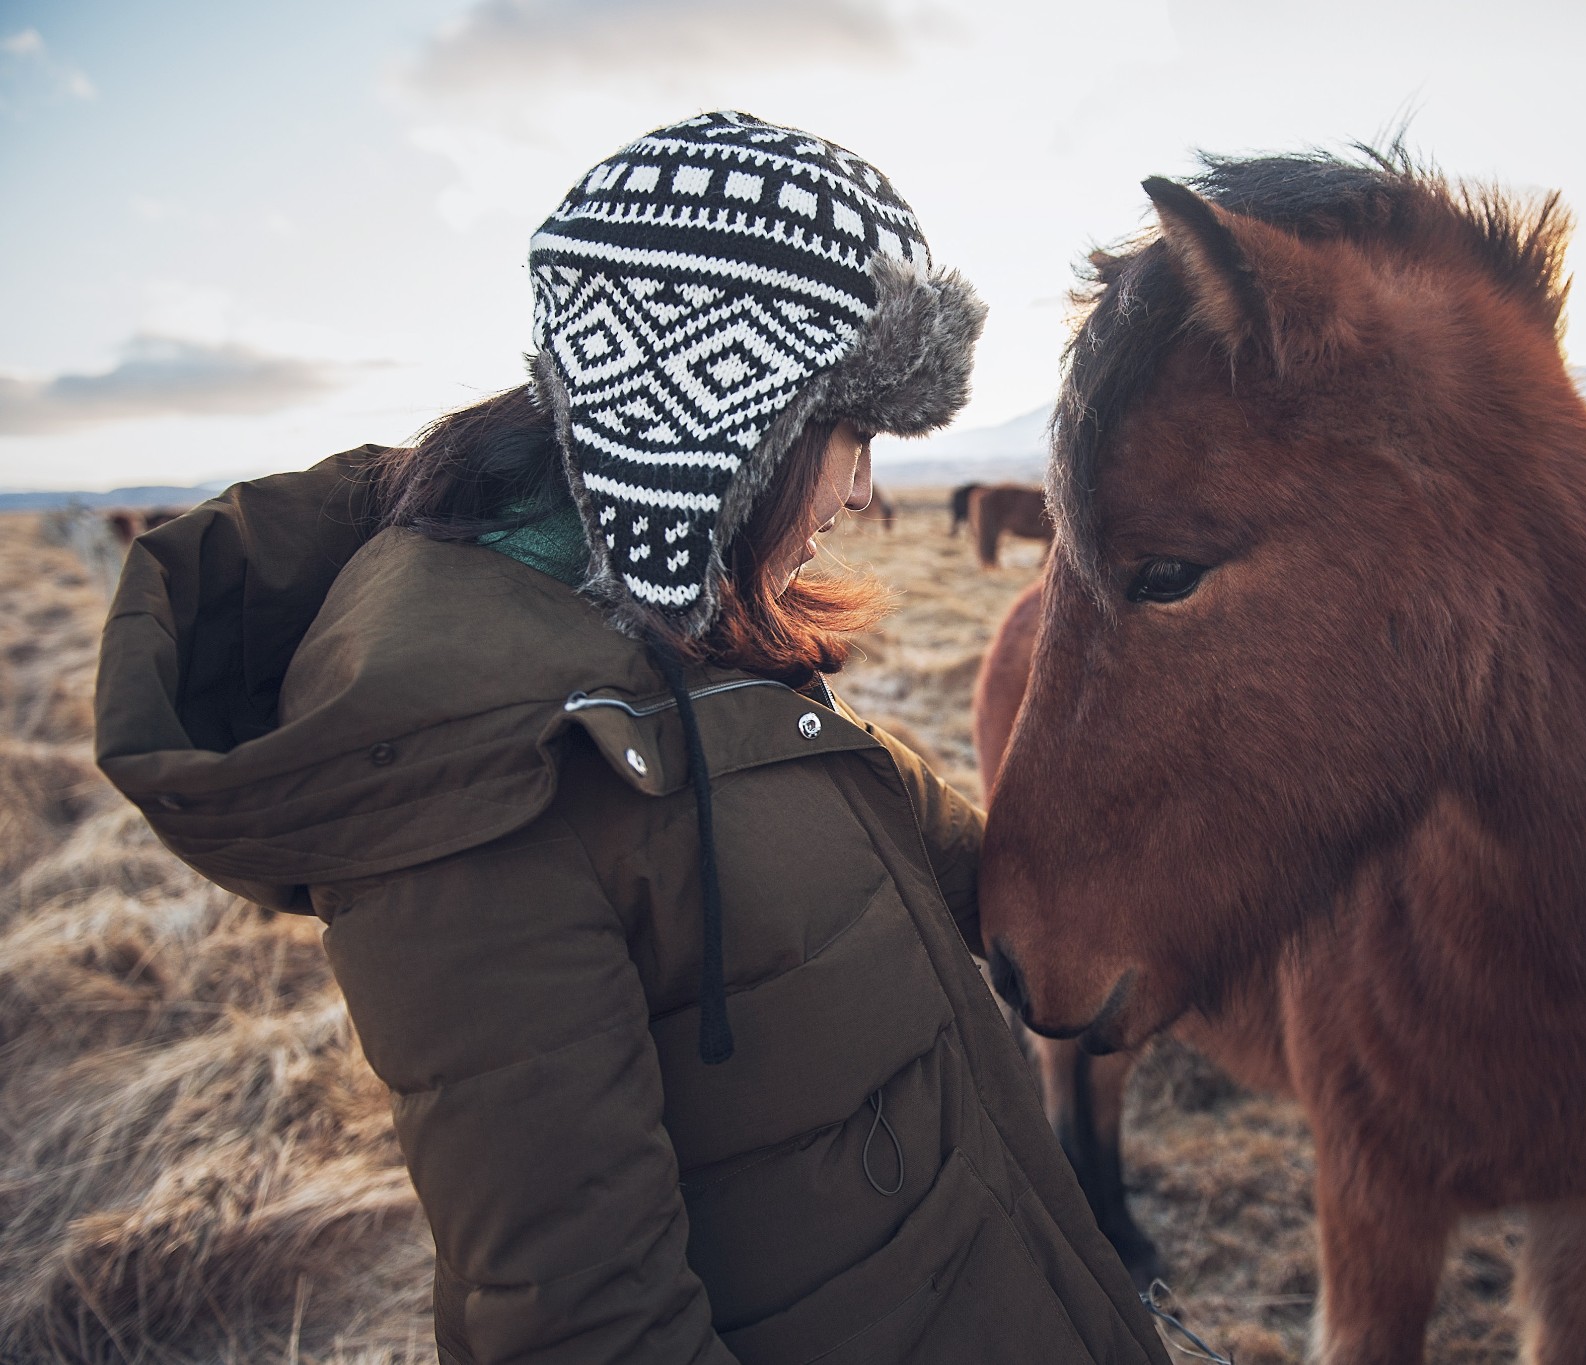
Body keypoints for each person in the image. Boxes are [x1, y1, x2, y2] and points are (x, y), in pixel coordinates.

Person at [95, 112, 1169, 1365]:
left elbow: (972, 879)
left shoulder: (689, 642)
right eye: (853, 433)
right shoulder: (472, 767)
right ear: (728, 421)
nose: (865, 491)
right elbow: (584, 1323)